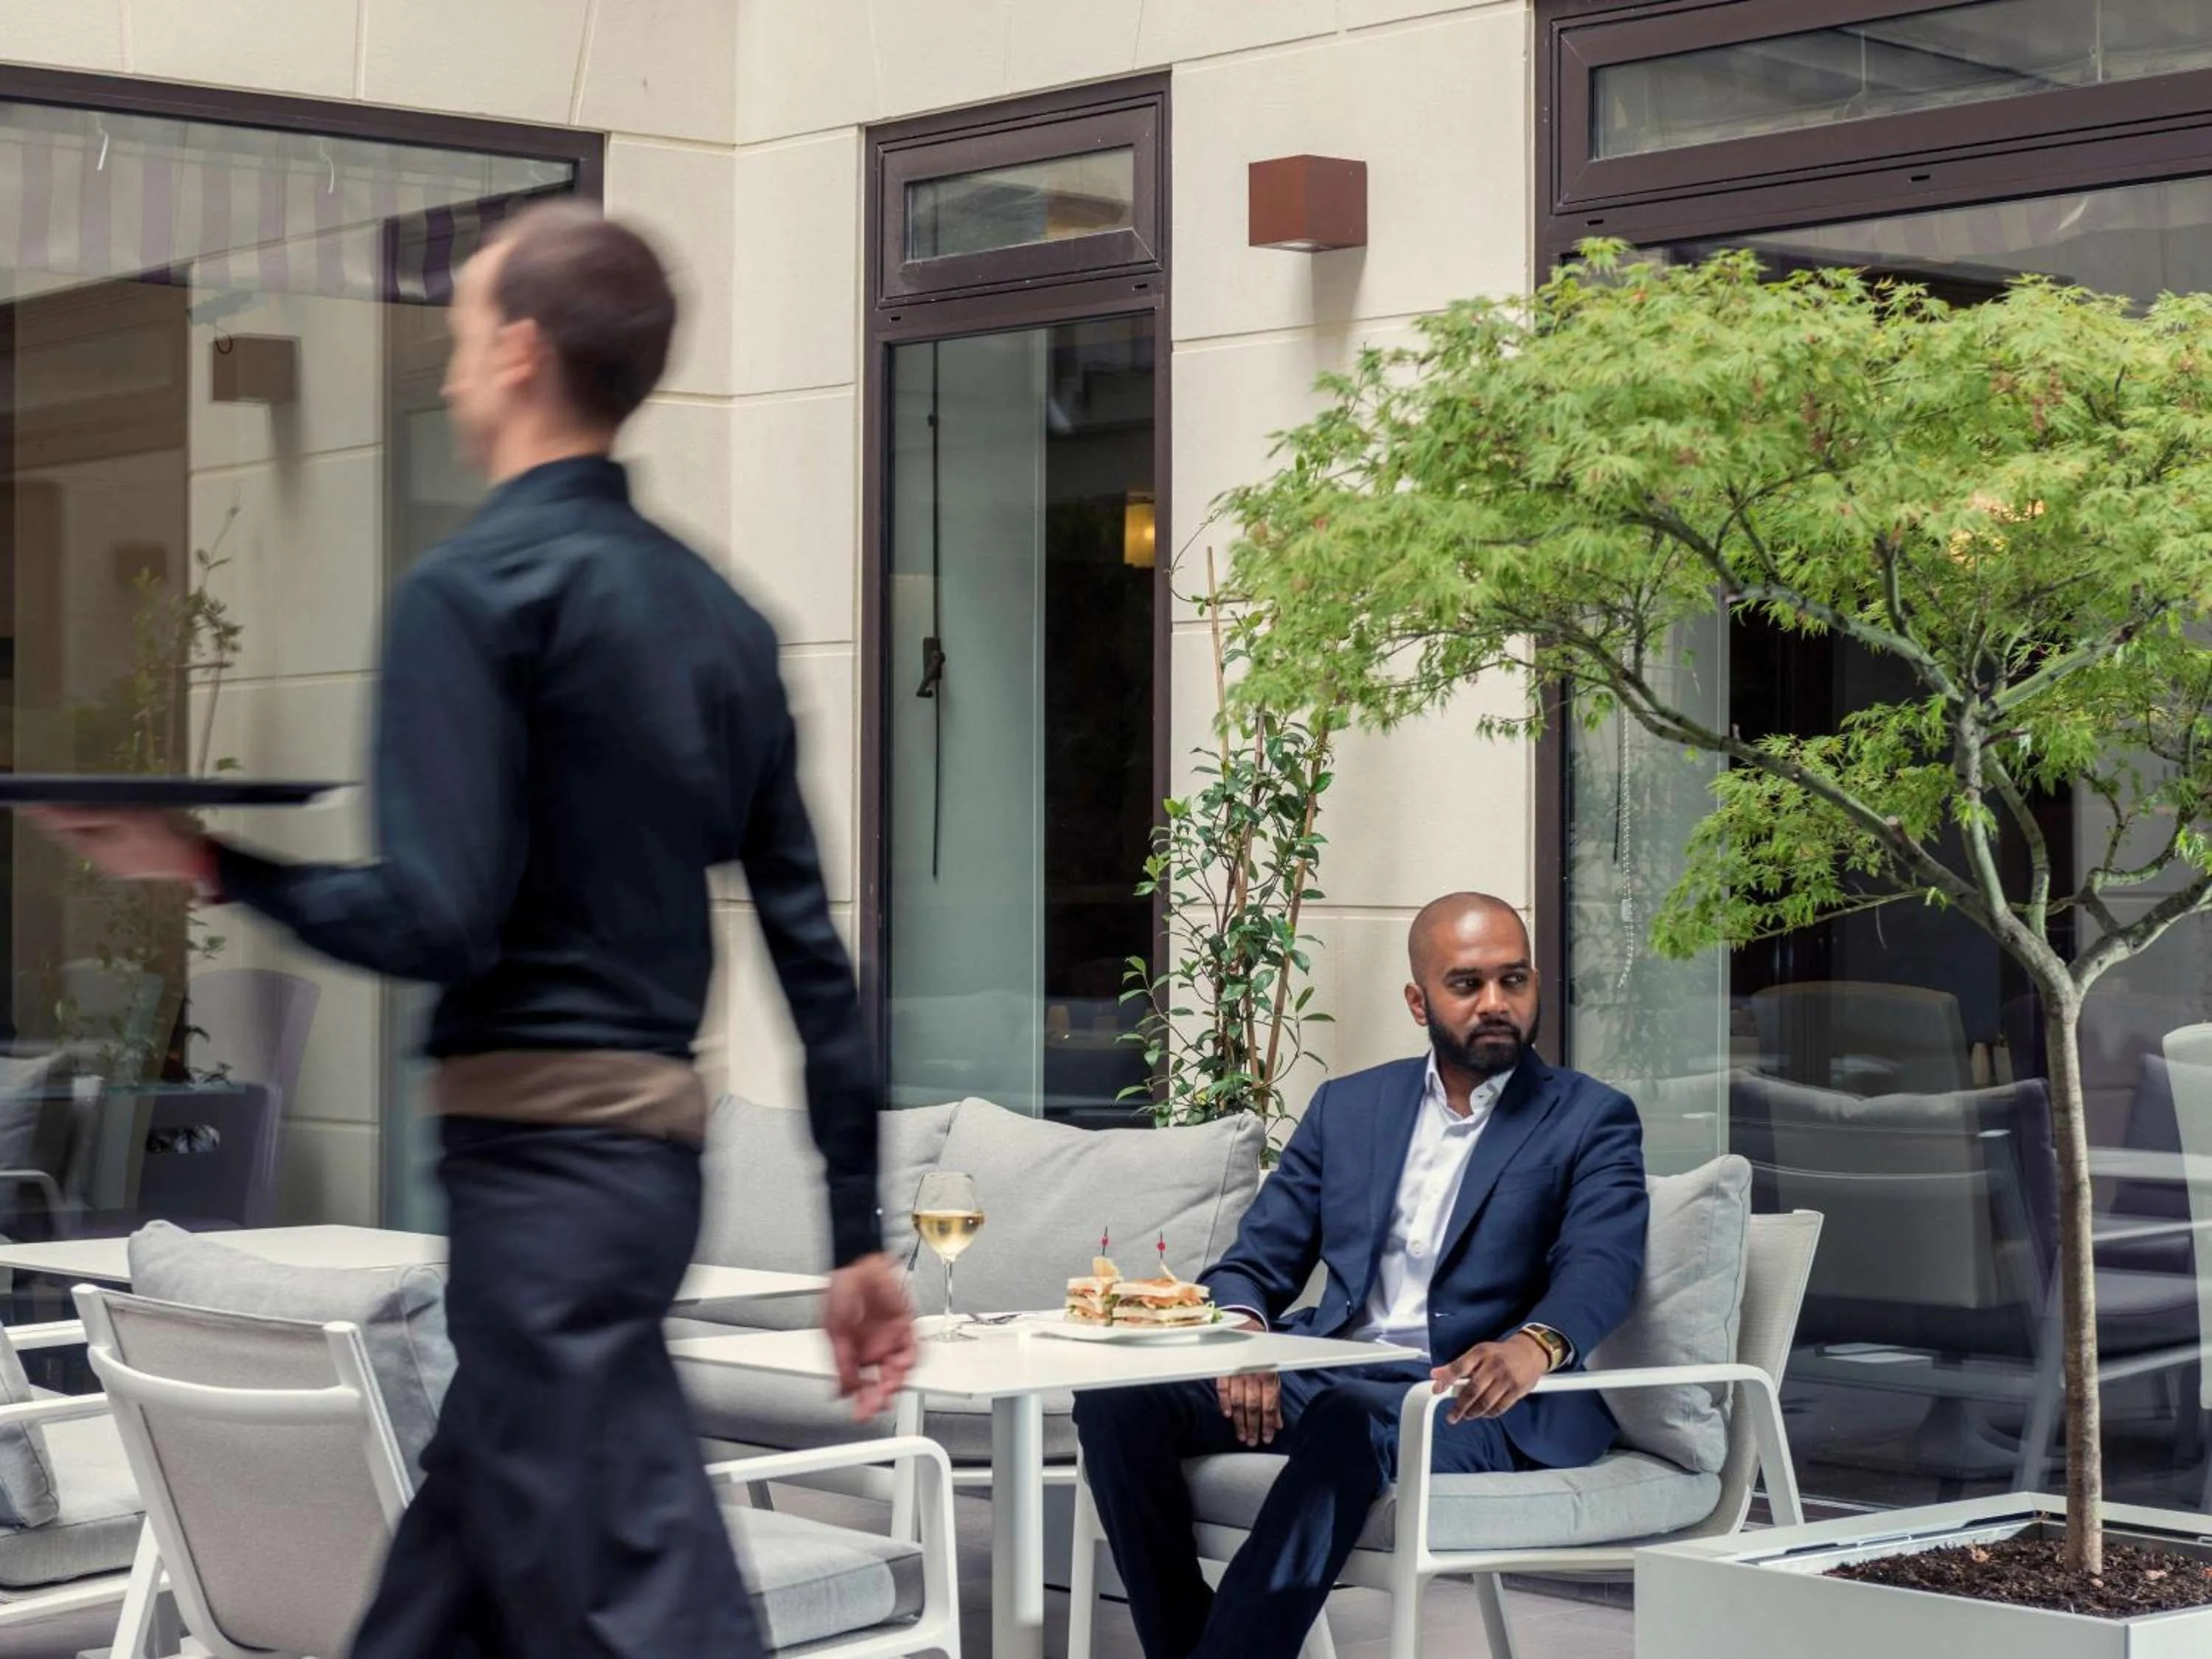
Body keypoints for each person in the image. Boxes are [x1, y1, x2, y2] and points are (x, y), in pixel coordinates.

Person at [30, 203, 915, 1658]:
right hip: (638, 1184)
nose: (444, 379)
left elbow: (436, 919)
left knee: (649, 1598)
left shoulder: (471, 594)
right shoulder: (722, 621)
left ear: (518, 354)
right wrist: (858, 1234)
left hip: (541, 1192)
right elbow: (812, 952)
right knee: (450, 1585)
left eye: (455, 345)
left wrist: (211, 861)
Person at [1074, 891, 1649, 1659]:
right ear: (1419, 1001)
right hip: (1338, 1366)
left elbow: (1603, 1262)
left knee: (1352, 1415)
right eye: (1466, 984)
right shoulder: (1349, 1107)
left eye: (1513, 981)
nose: (1495, 1003)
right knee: (1121, 1402)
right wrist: (1251, 1341)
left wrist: (1535, 1345)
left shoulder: (1590, 1118)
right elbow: (1257, 1264)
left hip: (1479, 1395)